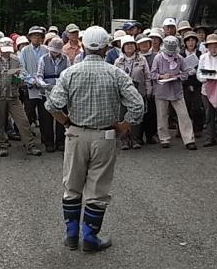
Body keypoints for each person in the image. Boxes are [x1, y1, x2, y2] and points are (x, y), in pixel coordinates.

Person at [45, 26, 145, 252]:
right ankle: (90, 237)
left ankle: (71, 235)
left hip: (76, 133)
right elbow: (137, 106)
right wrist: (124, 125)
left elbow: (52, 105)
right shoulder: (116, 73)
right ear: (106, 47)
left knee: (72, 185)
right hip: (105, 135)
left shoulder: (70, 73)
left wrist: (65, 122)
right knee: (97, 188)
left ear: (83, 45)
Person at [0, 37, 38, 157]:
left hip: (13, 95)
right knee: (0, 121)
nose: (6, 52)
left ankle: (30, 145)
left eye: (8, 49)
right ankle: (2, 145)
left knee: (23, 120)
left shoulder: (16, 60)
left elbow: (21, 78)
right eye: (4, 49)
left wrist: (17, 77)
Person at [150, 36, 197, 150]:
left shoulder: (179, 58)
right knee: (162, 115)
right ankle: (164, 138)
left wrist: (178, 76)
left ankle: (189, 139)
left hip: (176, 90)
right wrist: (162, 76)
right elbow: (152, 74)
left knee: (183, 115)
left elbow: (186, 72)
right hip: (161, 90)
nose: (171, 54)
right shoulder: (158, 58)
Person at [114, 35, 151, 149]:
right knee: (122, 115)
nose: (129, 46)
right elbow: (114, 77)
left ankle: (136, 139)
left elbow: (147, 76)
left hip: (139, 90)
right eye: (127, 45)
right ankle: (124, 139)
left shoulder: (142, 59)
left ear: (135, 46)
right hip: (122, 92)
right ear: (123, 47)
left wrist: (149, 89)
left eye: (132, 44)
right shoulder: (118, 61)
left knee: (137, 114)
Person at [36, 37, 71, 152]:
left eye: (57, 50)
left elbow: (68, 75)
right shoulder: (43, 59)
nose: (55, 52)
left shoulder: (66, 59)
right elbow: (39, 75)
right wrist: (43, 84)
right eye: (53, 50)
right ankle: (48, 142)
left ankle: (60, 142)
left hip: (61, 92)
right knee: (46, 119)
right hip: (46, 91)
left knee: (61, 118)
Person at [196, 34, 217, 147]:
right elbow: (199, 74)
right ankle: (210, 137)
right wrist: (206, 77)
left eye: (215, 46)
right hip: (207, 90)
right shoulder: (203, 57)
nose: (213, 49)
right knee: (209, 114)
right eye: (210, 47)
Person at [20, 26, 49, 149]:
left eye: (39, 35)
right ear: (30, 37)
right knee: (28, 114)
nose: (37, 37)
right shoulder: (25, 50)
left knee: (45, 115)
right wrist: (32, 80)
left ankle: (47, 140)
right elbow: (22, 69)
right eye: (34, 35)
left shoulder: (46, 49)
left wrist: (41, 81)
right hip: (30, 87)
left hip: (44, 87)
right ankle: (28, 140)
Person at [180, 30, 205, 137]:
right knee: (185, 107)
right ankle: (183, 129)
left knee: (197, 107)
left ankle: (197, 129)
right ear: (185, 42)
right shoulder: (180, 55)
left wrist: (196, 72)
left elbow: (204, 69)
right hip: (184, 84)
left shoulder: (201, 55)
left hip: (197, 83)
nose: (191, 43)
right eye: (188, 40)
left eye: (193, 40)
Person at [136, 34, 158, 145]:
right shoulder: (136, 57)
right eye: (141, 43)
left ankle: (150, 136)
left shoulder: (156, 56)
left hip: (154, 88)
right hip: (139, 89)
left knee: (151, 114)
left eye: (146, 43)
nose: (144, 45)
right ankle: (138, 137)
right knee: (140, 114)